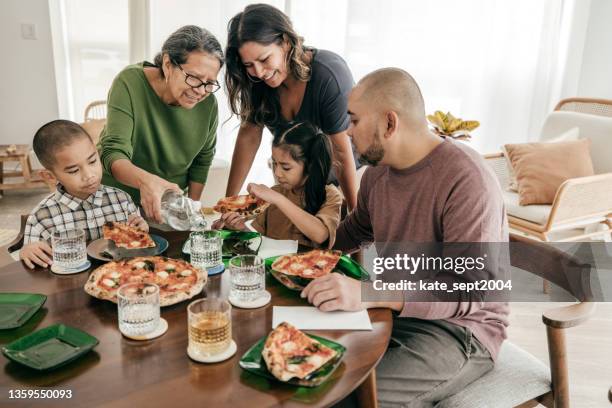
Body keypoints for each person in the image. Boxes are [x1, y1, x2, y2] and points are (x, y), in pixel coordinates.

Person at [301, 68, 510, 406]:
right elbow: (354, 232)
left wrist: (368, 293)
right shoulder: (375, 175)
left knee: (343, 394)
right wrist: (303, 255)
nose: (347, 132)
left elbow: (468, 289)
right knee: (299, 366)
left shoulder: (468, 179)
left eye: (353, 121)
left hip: (461, 330)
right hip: (393, 313)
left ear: (389, 123)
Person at [224, 3, 360, 210]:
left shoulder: (329, 75)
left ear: (286, 42)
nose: (259, 72)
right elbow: (249, 136)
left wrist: (354, 215)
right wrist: (230, 202)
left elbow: (341, 152)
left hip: (350, 176)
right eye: (249, 65)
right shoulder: (257, 81)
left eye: (264, 59)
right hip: (300, 179)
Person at [98, 25, 224, 223]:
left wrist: (189, 211)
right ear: (167, 64)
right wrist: (147, 182)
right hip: (116, 203)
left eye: (209, 83)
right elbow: (113, 152)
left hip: (168, 207)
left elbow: (202, 159)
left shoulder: (208, 104)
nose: (201, 91)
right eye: (194, 78)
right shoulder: (130, 83)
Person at [20, 120, 147, 269]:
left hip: (120, 280)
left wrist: (141, 231)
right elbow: (31, 265)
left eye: (92, 161)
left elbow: (136, 246)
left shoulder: (122, 200)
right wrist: (26, 251)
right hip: (69, 286)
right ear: (50, 176)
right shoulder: (41, 217)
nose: (89, 175)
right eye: (74, 171)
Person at [212, 122, 342, 248]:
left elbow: (321, 235)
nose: (277, 173)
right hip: (273, 268)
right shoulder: (275, 193)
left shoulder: (330, 195)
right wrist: (240, 229)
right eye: (274, 163)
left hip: (311, 268)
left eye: (286, 167)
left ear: (310, 166)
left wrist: (278, 199)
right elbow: (263, 244)